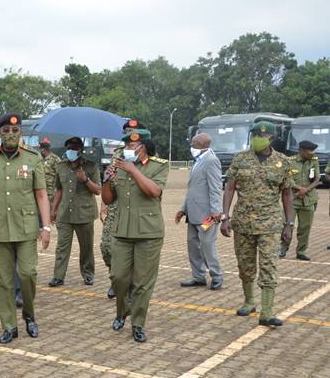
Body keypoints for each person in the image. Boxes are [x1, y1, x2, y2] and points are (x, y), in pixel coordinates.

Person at [0, 113, 51, 344]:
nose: (11, 135)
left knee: (28, 273)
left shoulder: (33, 158)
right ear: (0, 133)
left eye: (15, 131)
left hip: (26, 227)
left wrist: (46, 227)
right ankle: (9, 326)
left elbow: (41, 194)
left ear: (20, 133)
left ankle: (29, 315)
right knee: (3, 280)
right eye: (6, 131)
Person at [221, 121, 294, 327]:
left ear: (271, 138)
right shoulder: (240, 159)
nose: (256, 139)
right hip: (243, 222)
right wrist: (225, 217)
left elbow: (287, 194)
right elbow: (229, 188)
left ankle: (267, 312)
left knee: (269, 265)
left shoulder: (283, 162)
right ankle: (249, 301)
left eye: (260, 136)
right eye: (253, 135)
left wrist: (289, 224)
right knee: (245, 265)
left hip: (270, 223)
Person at [101, 127, 168, 343]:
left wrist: (133, 171)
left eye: (132, 146)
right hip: (122, 231)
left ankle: (137, 324)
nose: (127, 149)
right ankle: (122, 312)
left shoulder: (159, 166)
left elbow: (154, 192)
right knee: (118, 277)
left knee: (142, 282)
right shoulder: (119, 166)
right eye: (126, 146)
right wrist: (106, 180)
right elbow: (109, 199)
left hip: (148, 233)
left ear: (143, 147)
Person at [48, 136, 101, 287]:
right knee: (62, 247)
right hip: (65, 214)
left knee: (86, 247)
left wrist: (85, 180)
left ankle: (88, 274)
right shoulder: (61, 166)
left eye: (75, 148)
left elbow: (98, 190)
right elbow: (59, 189)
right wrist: (53, 209)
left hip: (84, 214)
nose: (72, 150)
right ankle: (58, 276)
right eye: (69, 148)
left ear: (81, 150)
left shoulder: (91, 166)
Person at [175, 133, 223, 290]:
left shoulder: (211, 161)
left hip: (207, 215)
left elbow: (215, 188)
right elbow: (193, 189)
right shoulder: (198, 161)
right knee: (193, 246)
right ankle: (198, 276)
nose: (191, 147)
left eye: (193, 144)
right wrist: (183, 209)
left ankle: (216, 276)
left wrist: (216, 211)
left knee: (207, 245)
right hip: (193, 214)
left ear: (202, 145)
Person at [279, 140, 321, 261]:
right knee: (287, 224)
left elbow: (317, 179)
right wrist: (299, 188)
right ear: (301, 151)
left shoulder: (314, 161)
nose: (313, 153)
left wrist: (305, 190)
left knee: (305, 227)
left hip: (308, 200)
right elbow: (286, 178)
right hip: (292, 200)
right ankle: (283, 248)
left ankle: (301, 251)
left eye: (313, 151)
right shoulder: (290, 161)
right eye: (310, 151)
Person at [39, 138, 61, 205]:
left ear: (45, 149)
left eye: (42, 148)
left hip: (51, 192)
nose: (41, 150)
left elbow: (60, 175)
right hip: (41, 190)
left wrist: (57, 190)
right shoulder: (39, 159)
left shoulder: (55, 159)